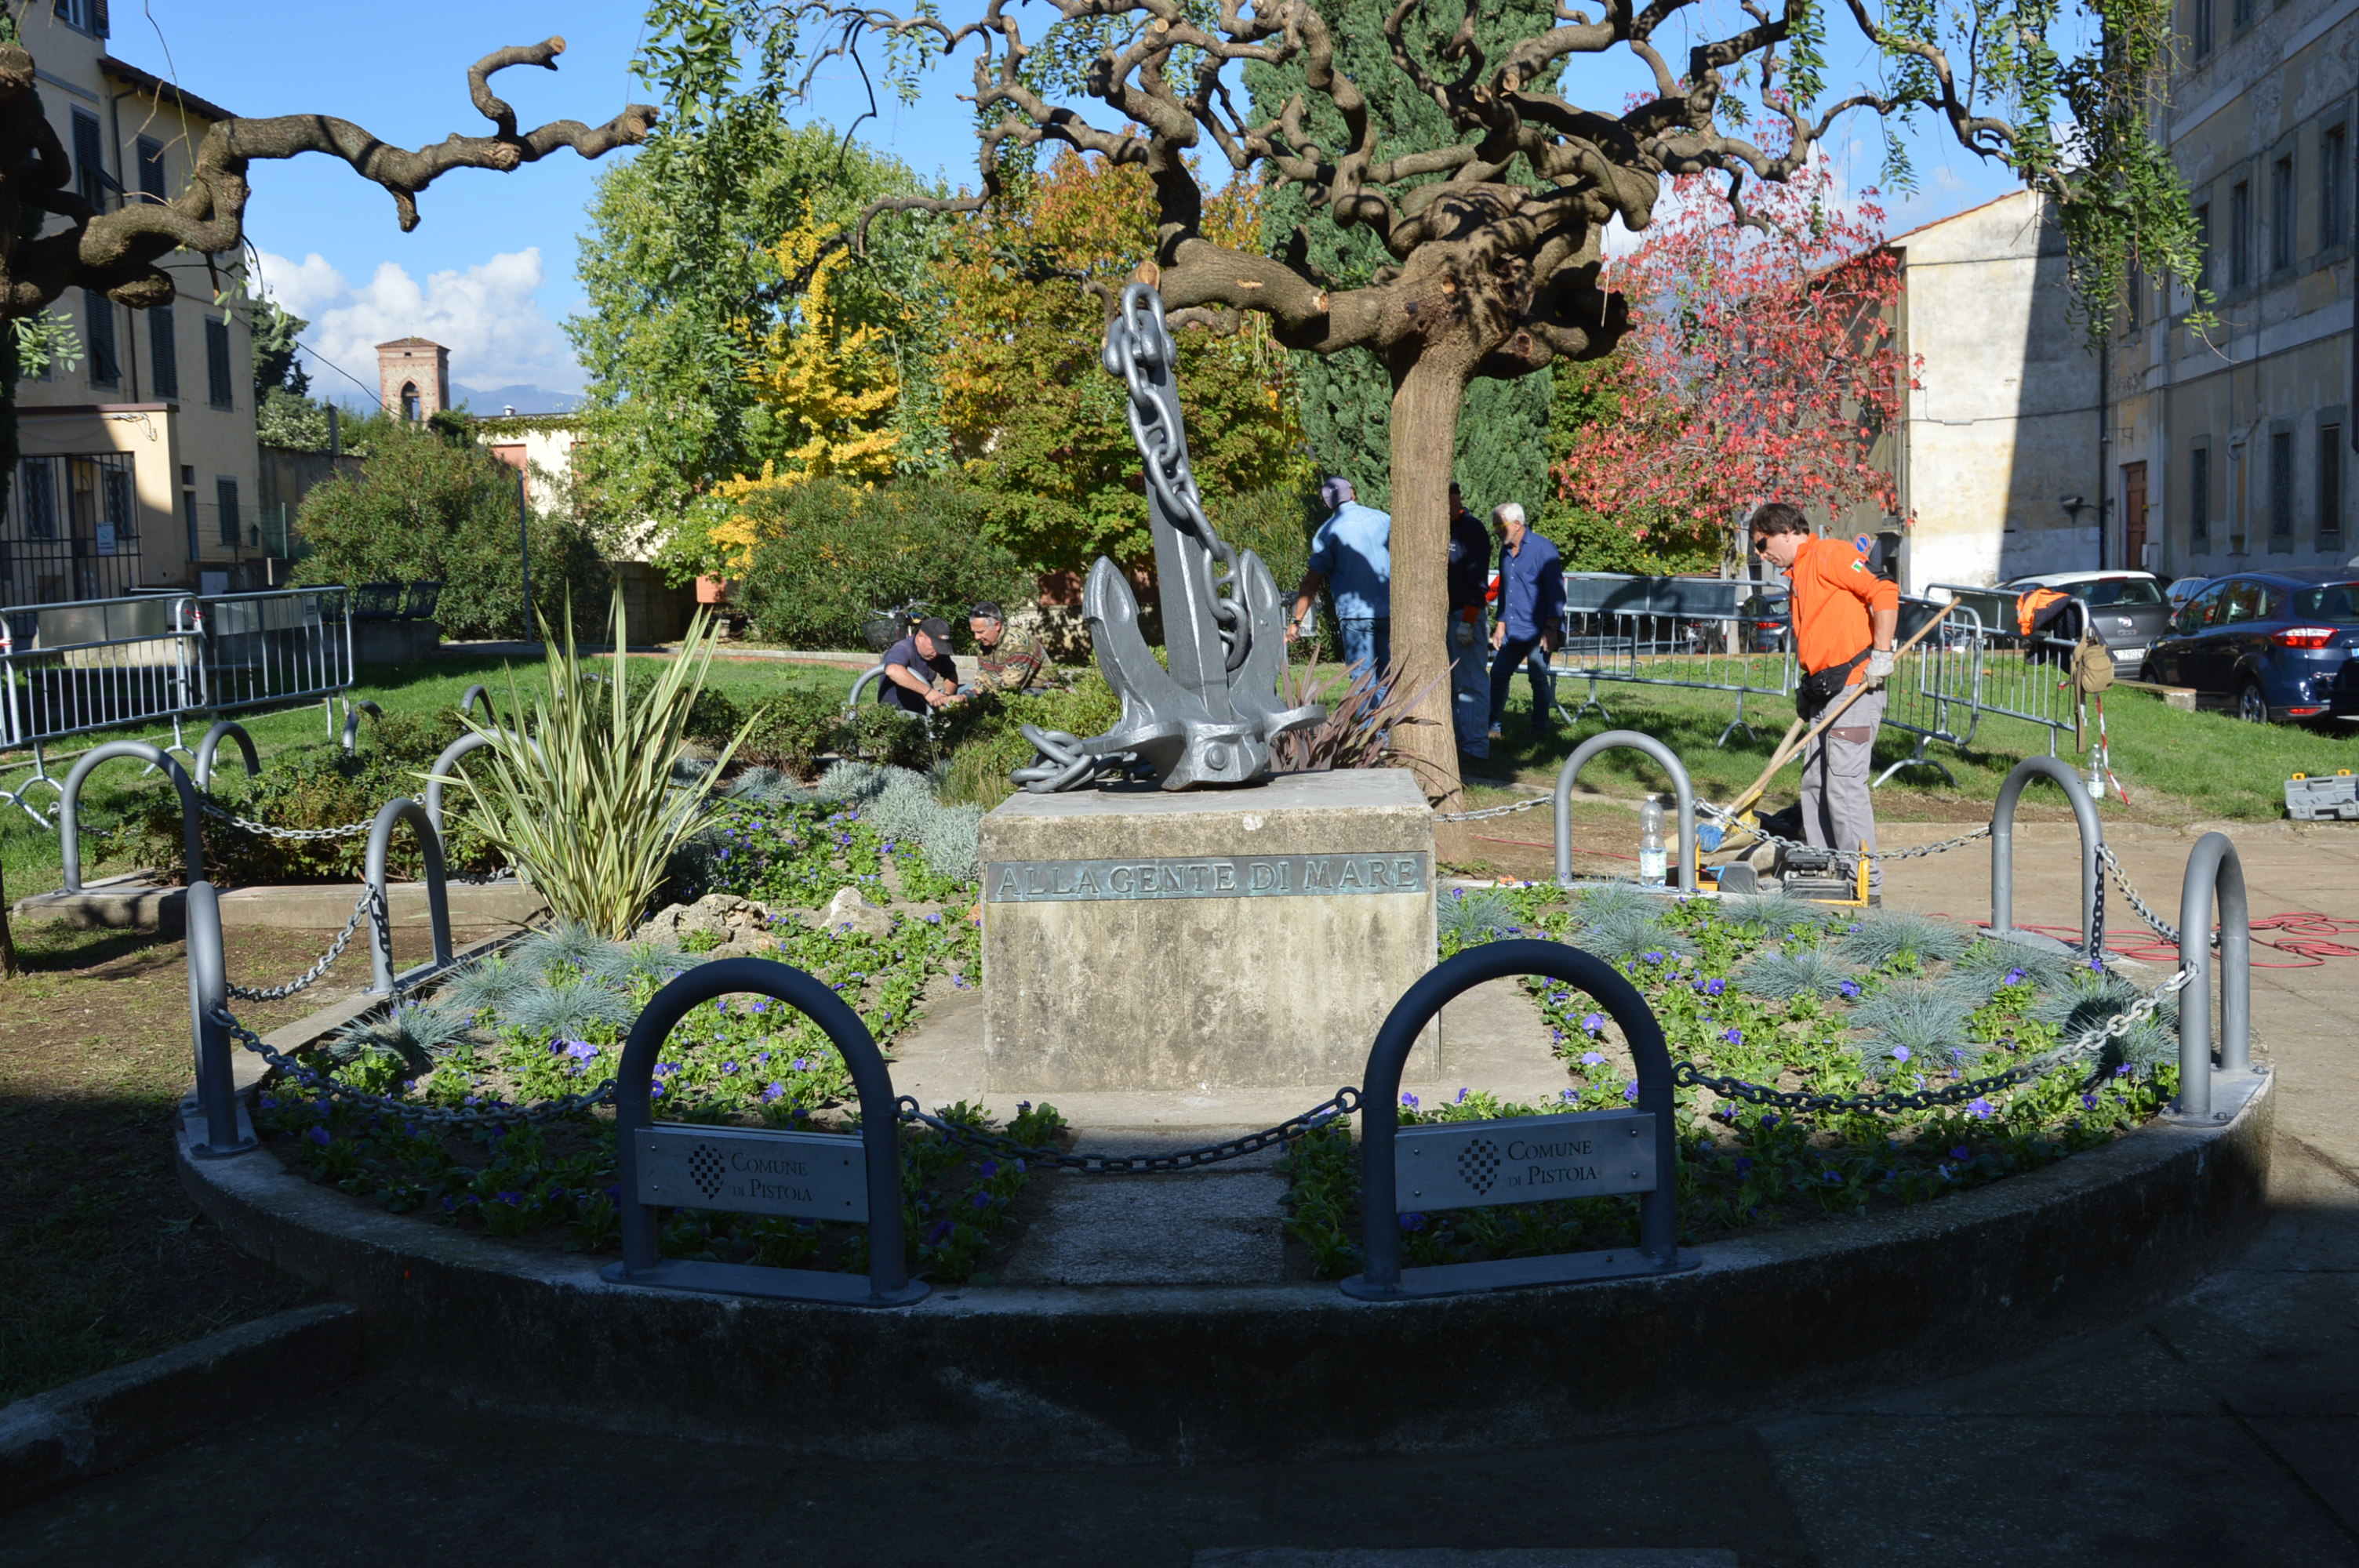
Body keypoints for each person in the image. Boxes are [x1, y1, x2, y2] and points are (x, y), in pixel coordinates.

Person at [1747, 503, 1898, 899]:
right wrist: (1808, 687)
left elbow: (1883, 590)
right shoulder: (1799, 573)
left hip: (1855, 687)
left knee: (1844, 788)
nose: (1762, 555)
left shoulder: (1831, 554)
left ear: (1783, 531)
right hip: (1822, 690)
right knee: (1814, 782)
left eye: (1762, 544)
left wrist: (1882, 654)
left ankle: (1863, 884)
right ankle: (1823, 867)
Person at [1289, 477, 1392, 683]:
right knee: (1387, 677)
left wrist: (1296, 620)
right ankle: (1388, 716)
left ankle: (1369, 716)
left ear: (1327, 503)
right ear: (1353, 493)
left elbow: (1312, 581)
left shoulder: (1327, 532)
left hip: (1355, 616)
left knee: (1363, 681)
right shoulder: (1384, 519)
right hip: (1390, 610)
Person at [1486, 503, 1565, 740]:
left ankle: (1539, 731)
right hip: (1513, 629)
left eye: (1501, 525)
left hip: (1540, 629)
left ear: (1517, 524)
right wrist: (1500, 624)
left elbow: (1556, 592)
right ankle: (1493, 728)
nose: (1497, 531)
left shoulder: (1544, 549)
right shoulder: (1505, 552)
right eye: (1495, 526)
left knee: (1538, 678)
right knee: (1498, 675)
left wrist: (1551, 629)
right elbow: (1506, 592)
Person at [1446, 482, 1492, 760]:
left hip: (1466, 614)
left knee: (1472, 681)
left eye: (1452, 502)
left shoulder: (1471, 530)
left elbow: (1478, 581)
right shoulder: (1440, 529)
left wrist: (1470, 620)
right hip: (1446, 614)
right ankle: (1459, 742)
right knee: (1452, 682)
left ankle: (1476, 747)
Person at [881, 616, 961, 714]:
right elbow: (892, 670)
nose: (936, 653)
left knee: (967, 692)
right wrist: (928, 692)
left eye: (940, 648)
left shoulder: (937, 653)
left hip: (924, 708)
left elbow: (951, 674)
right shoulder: (903, 648)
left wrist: (946, 696)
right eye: (934, 646)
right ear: (920, 637)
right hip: (898, 711)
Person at [965, 601, 1045, 695]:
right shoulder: (985, 644)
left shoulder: (1018, 644)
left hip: (1040, 690)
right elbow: (983, 680)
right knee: (963, 691)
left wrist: (971, 698)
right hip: (1004, 689)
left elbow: (1009, 687)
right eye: (974, 632)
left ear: (997, 625)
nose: (976, 637)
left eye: (981, 632)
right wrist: (967, 695)